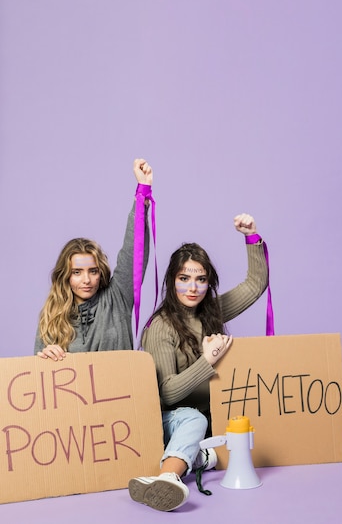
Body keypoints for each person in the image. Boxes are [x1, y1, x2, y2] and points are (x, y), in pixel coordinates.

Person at [128, 213, 268, 511]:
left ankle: (200, 457)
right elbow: (165, 394)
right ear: (171, 281)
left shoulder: (211, 312)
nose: (192, 288)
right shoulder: (161, 327)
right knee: (195, 418)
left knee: (242, 436)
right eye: (184, 279)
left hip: (206, 419)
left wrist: (252, 237)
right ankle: (168, 478)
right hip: (172, 419)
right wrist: (208, 360)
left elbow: (256, 285)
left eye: (200, 279)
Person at [34, 158, 153, 360]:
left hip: (121, 391)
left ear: (101, 273)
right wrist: (43, 357)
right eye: (77, 273)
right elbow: (41, 383)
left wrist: (142, 193)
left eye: (93, 271)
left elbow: (133, 250)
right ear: (66, 276)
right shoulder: (50, 318)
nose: (87, 280)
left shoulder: (118, 297)